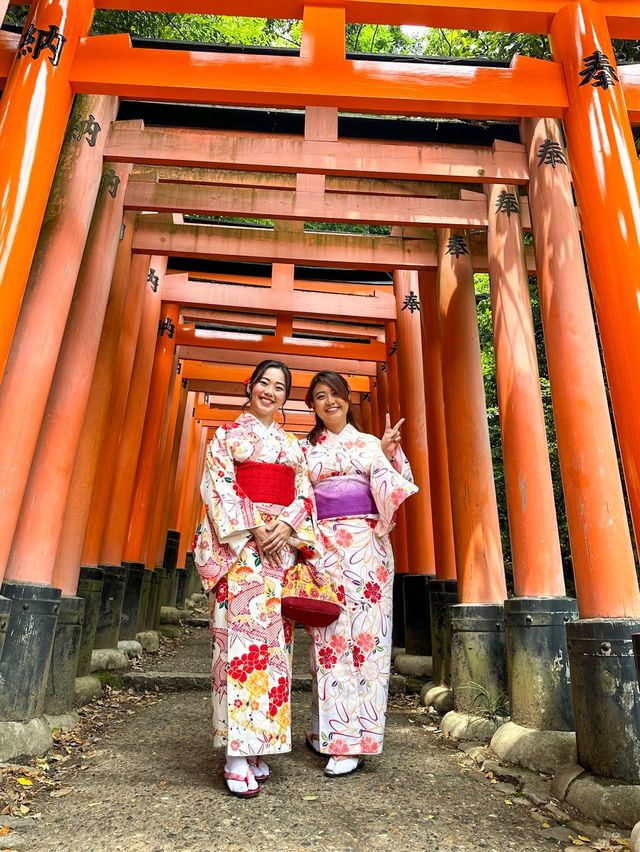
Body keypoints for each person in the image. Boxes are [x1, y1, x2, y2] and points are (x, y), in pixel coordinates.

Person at [194, 359, 321, 798]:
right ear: (249, 387)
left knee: (274, 652)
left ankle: (258, 745)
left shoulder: (293, 446)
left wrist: (286, 526)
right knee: (237, 648)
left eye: (280, 387)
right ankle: (234, 753)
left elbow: (305, 493)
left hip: (279, 554)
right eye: (263, 383)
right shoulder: (226, 437)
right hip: (242, 552)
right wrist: (255, 525)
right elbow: (218, 487)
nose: (270, 391)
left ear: (286, 397)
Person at [301, 370, 418, 777]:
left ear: (347, 399)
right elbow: (299, 499)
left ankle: (353, 742)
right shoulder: (304, 450)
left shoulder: (368, 443)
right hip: (324, 551)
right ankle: (327, 731)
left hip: (368, 552)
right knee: (329, 644)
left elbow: (396, 486)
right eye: (320, 396)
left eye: (335, 394)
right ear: (311, 405)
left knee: (368, 643)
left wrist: (386, 455)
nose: (329, 402)